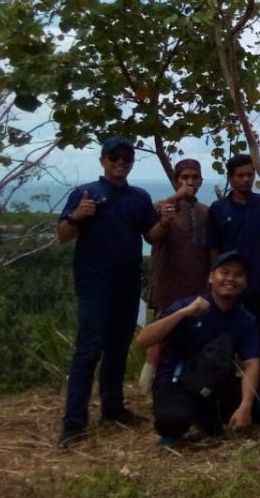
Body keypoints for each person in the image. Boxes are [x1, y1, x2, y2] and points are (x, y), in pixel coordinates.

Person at [56, 136, 169, 447]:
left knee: (118, 347)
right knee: (89, 350)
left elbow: (152, 235)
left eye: (127, 157)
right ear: (103, 159)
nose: (121, 162)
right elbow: (62, 235)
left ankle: (113, 407)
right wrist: (77, 216)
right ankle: (74, 421)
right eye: (115, 157)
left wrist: (166, 223)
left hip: (128, 281)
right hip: (95, 283)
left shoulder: (139, 197)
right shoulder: (85, 194)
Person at [139, 250, 260, 446]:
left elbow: (251, 364)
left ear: (245, 282)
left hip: (217, 383)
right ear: (211, 277)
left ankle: (210, 415)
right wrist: (183, 314)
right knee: (173, 421)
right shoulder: (187, 305)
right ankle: (195, 415)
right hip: (177, 381)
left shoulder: (245, 320)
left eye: (238, 274)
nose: (231, 278)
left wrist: (245, 406)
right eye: (225, 272)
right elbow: (143, 340)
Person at [143, 159, 209, 387]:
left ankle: (184, 384)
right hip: (168, 284)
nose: (190, 182)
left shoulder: (205, 212)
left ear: (201, 180)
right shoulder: (161, 207)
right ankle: (148, 384)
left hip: (197, 283)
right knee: (159, 338)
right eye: (185, 177)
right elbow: (151, 236)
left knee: (194, 337)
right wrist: (174, 201)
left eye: (194, 177)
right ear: (176, 180)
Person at [205, 153, 260, 373]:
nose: (246, 179)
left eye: (250, 175)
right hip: (228, 283)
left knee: (256, 335)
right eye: (241, 175)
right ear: (230, 178)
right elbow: (213, 246)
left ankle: (255, 386)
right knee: (222, 334)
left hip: (257, 283)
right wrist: (215, 278)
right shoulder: (218, 209)